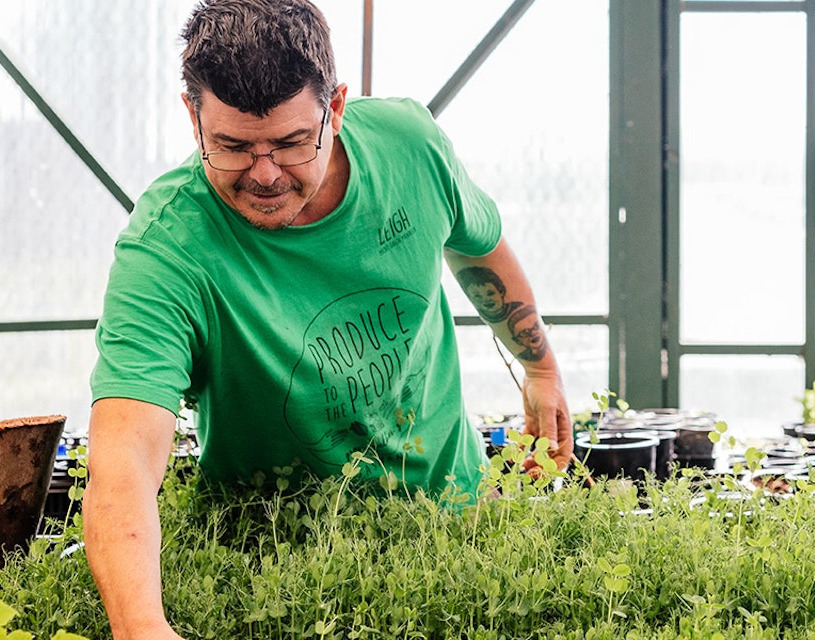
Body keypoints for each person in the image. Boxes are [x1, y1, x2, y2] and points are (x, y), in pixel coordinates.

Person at [82, 1, 572, 638]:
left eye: (289, 143)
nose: (264, 175)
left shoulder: (410, 148)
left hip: (458, 529)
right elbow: (124, 456)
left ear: (335, 108)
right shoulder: (167, 247)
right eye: (231, 146)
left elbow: (476, 245)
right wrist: (142, 626)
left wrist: (540, 367)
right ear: (193, 117)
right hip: (276, 578)